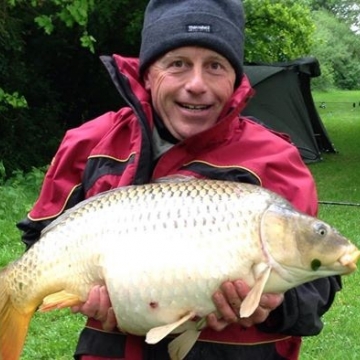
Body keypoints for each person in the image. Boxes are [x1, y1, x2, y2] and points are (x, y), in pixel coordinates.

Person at [17, 0, 341, 359]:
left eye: (215, 66)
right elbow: (40, 242)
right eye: (177, 64)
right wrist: (82, 292)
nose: (196, 84)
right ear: (147, 73)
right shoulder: (90, 144)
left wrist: (274, 303)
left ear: (236, 78)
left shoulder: (274, 160)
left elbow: (318, 285)